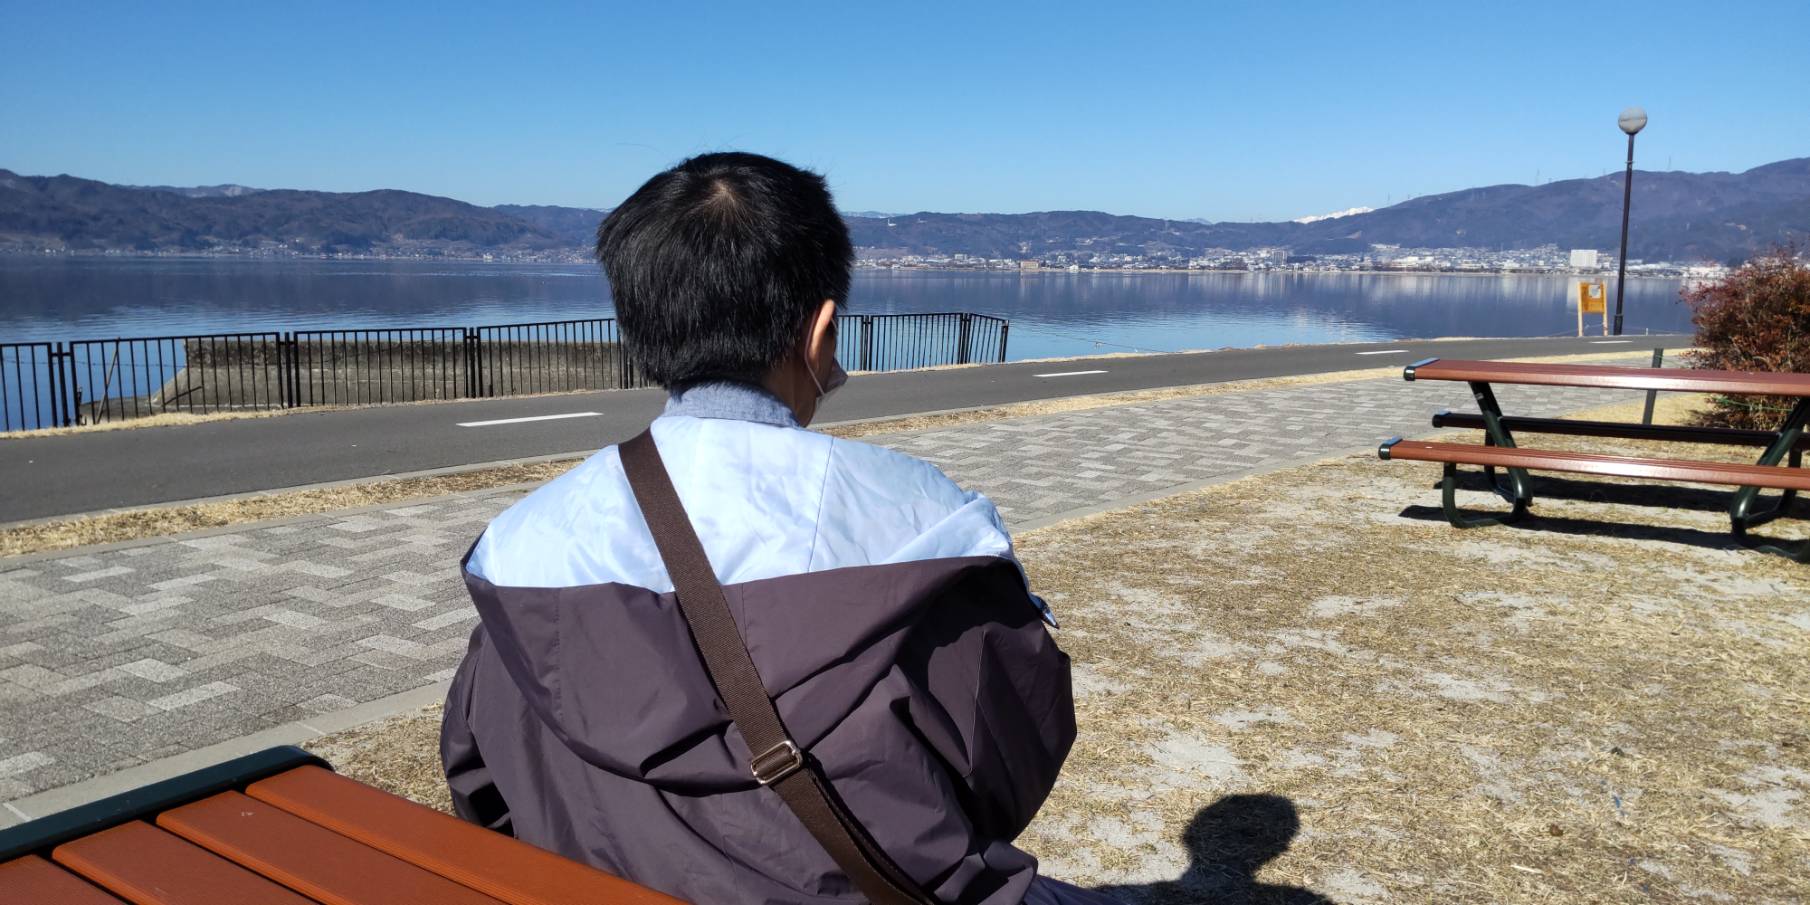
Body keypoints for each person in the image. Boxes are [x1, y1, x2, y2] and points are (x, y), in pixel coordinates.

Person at [441, 152, 1112, 904]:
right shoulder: (925, 523)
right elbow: (1013, 759)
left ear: (640, 324)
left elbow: (481, 779)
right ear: (820, 330)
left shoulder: (522, 542)